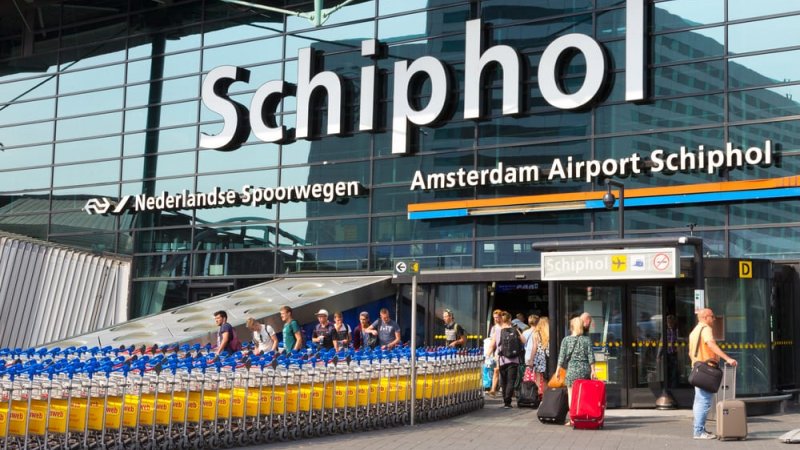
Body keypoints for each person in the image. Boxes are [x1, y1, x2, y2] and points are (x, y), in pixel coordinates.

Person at [689, 308, 737, 440]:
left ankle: (699, 429)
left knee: (699, 400)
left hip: (698, 368)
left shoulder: (694, 331)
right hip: (706, 370)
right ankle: (698, 432)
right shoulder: (706, 329)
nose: (714, 319)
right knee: (704, 401)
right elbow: (711, 344)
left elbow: (690, 352)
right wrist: (727, 358)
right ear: (705, 317)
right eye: (712, 316)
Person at [556, 316, 596, 426]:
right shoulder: (586, 340)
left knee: (571, 395)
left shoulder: (566, 340)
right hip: (584, 369)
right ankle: (583, 416)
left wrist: (558, 370)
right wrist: (593, 371)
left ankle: (573, 419)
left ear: (572, 327)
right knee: (583, 395)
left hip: (572, 369)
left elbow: (561, 357)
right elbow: (591, 357)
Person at [488, 311, 525, 409]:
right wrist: (517, 331)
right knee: (511, 381)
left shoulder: (498, 331)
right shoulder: (514, 329)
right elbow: (524, 340)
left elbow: (492, 344)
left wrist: (488, 355)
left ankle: (505, 401)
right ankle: (508, 402)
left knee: (503, 381)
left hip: (502, 359)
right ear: (510, 319)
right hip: (514, 359)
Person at [532, 316, 550, 397]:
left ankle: (538, 394)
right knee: (547, 378)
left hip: (539, 357)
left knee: (538, 377)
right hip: (548, 357)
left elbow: (534, 347)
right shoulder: (550, 333)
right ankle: (546, 395)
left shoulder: (536, 333)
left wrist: (531, 359)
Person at [487, 309, 503, 397]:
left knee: (502, 371)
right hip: (498, 352)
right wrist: (488, 353)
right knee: (496, 370)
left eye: (497, 317)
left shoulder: (506, 326)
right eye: (494, 318)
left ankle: (503, 388)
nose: (496, 319)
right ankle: (493, 389)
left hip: (507, 353)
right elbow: (492, 342)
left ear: (501, 317)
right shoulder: (494, 328)